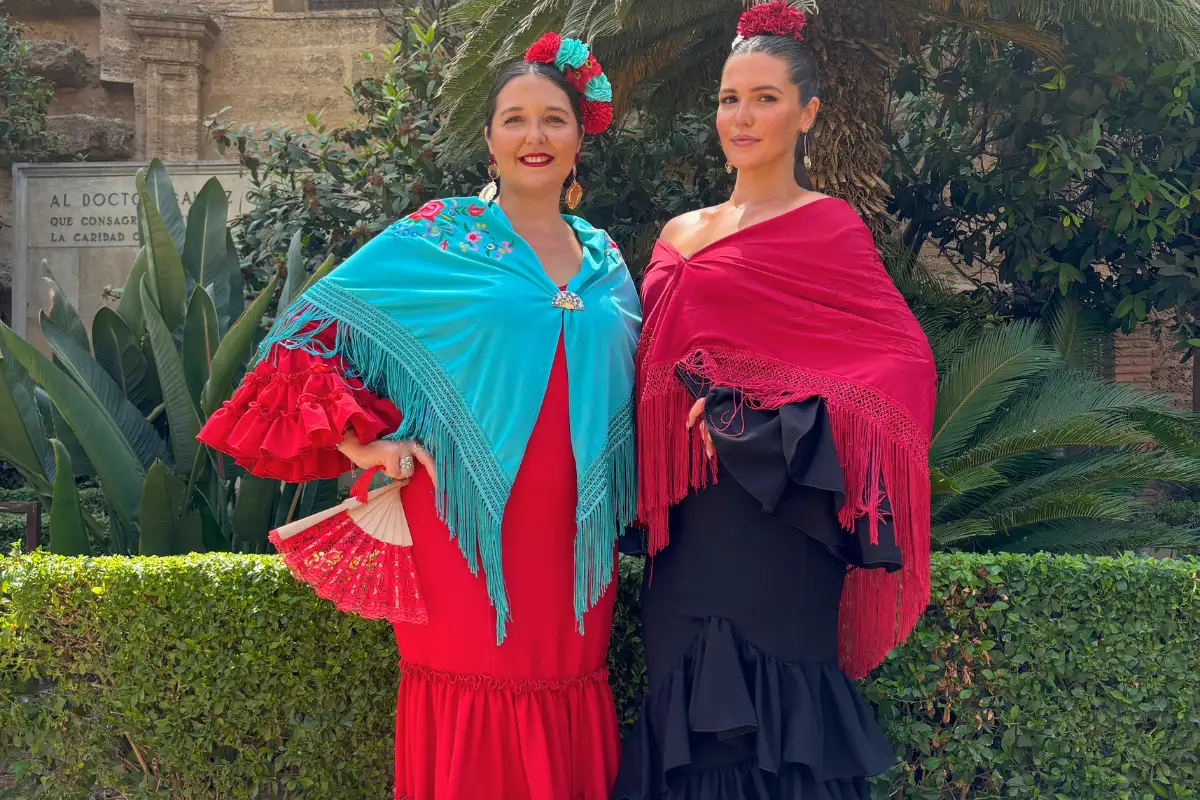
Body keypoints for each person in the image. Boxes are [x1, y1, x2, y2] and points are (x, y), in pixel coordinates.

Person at [198, 32, 640, 800]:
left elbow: (639, 384)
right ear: (489, 141)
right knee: (471, 685)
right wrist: (362, 446)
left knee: (568, 682)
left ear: (579, 138)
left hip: (575, 539)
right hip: (463, 529)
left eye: (553, 119)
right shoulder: (442, 236)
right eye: (514, 119)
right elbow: (301, 336)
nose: (534, 135)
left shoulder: (607, 261)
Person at [612, 3, 937, 798]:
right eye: (730, 98)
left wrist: (763, 417)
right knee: (683, 716)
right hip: (685, 528)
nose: (743, 117)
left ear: (807, 113)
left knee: (776, 728)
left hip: (778, 519)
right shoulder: (675, 233)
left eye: (765, 98)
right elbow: (639, 370)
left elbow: (903, 368)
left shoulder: (830, 227)